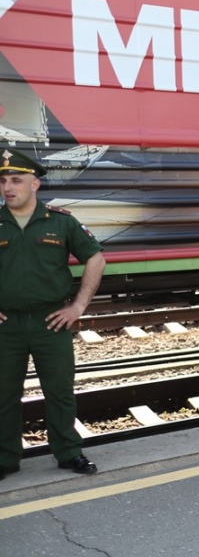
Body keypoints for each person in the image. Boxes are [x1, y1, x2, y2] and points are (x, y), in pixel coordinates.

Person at [0, 148, 105, 480]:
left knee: (59, 391)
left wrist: (78, 307)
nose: (7, 187)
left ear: (35, 185)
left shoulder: (60, 221)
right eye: (3, 180)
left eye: (16, 180)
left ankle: (68, 452)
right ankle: (5, 458)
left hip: (51, 322)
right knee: (3, 394)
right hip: (8, 325)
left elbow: (96, 258)